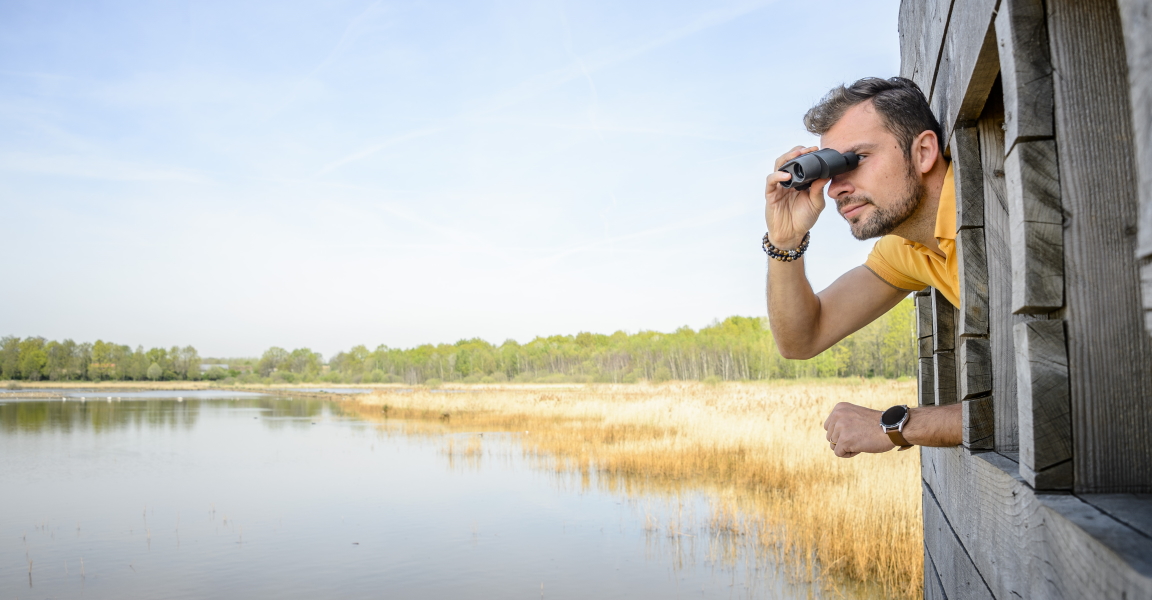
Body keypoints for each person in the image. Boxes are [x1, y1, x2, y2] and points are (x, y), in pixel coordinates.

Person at [762, 77, 962, 458]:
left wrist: (896, 426)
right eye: (831, 170)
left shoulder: (1001, 210)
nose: (836, 188)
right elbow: (801, 340)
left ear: (923, 152)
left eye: (858, 158)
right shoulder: (906, 248)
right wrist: (785, 241)